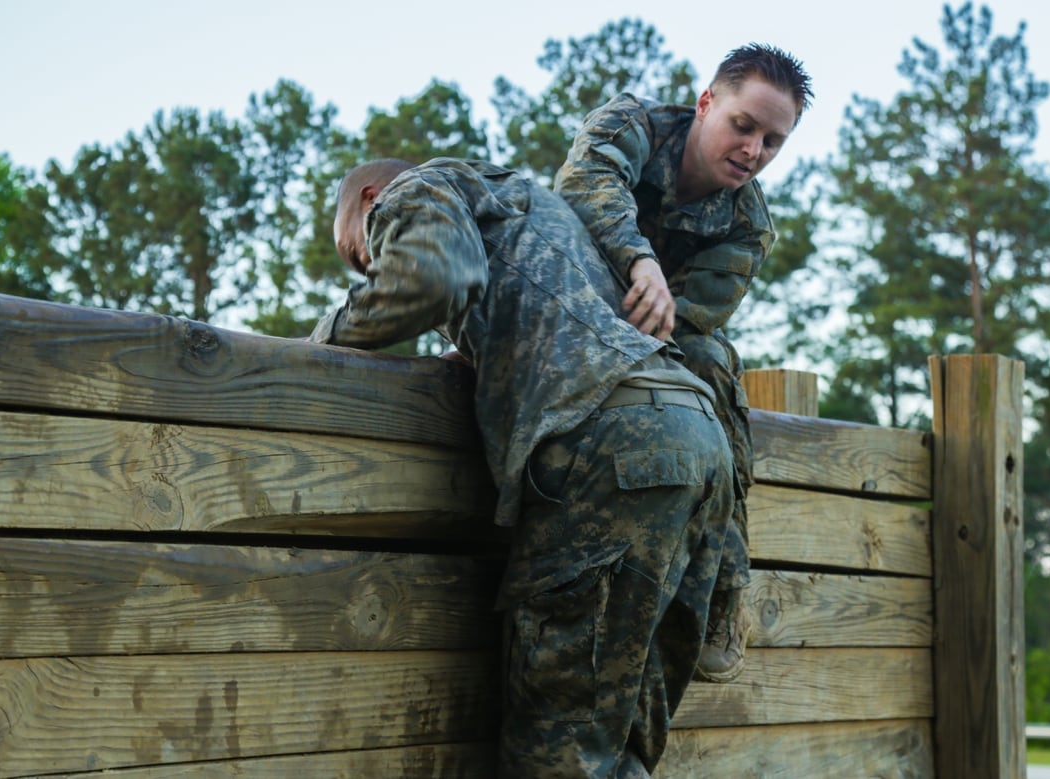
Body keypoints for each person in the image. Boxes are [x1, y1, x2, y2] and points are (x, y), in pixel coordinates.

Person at [310, 156, 735, 777]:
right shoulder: (536, 212)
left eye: (359, 250)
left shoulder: (419, 185)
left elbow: (432, 280)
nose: (367, 265)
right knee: (620, 748)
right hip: (698, 440)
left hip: (616, 449)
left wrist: (321, 339)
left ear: (370, 197)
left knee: (559, 752)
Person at [554, 43, 813, 683]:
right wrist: (640, 261)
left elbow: (690, 323)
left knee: (711, 361)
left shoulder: (747, 225)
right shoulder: (632, 125)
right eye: (743, 126)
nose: (754, 151)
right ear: (706, 104)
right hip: (556, 309)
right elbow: (581, 183)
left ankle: (725, 584)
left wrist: (649, 311)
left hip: (648, 356)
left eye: (774, 142)